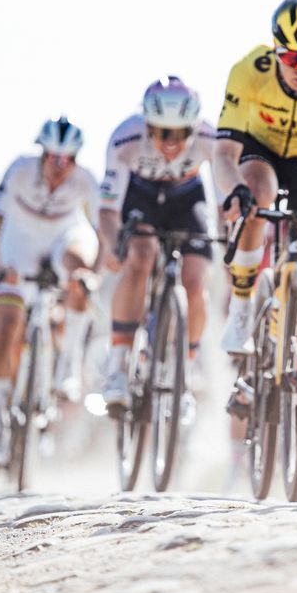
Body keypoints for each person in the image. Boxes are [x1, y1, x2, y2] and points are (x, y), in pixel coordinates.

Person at [214, 0, 297, 470]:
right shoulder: (249, 70)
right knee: (255, 192)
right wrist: (233, 193)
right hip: (260, 154)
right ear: (276, 51)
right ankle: (244, 308)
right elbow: (223, 155)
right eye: (294, 58)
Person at [0, 116, 100, 470]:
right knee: (7, 326)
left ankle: (67, 365)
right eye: (53, 158)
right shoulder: (18, 170)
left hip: (64, 238)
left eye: (68, 160)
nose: (60, 167)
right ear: (43, 154)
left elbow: (103, 229)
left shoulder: (86, 181)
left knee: (79, 273)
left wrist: (96, 269)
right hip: (19, 245)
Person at [99, 77, 216, 418]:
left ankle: (187, 371)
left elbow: (224, 199)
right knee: (140, 256)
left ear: (193, 127)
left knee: (196, 281)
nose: (170, 142)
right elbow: (107, 209)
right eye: (161, 132)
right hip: (141, 196)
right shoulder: (125, 138)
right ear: (147, 124)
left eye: (180, 133)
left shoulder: (210, 137)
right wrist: (112, 244)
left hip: (187, 198)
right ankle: (118, 368)